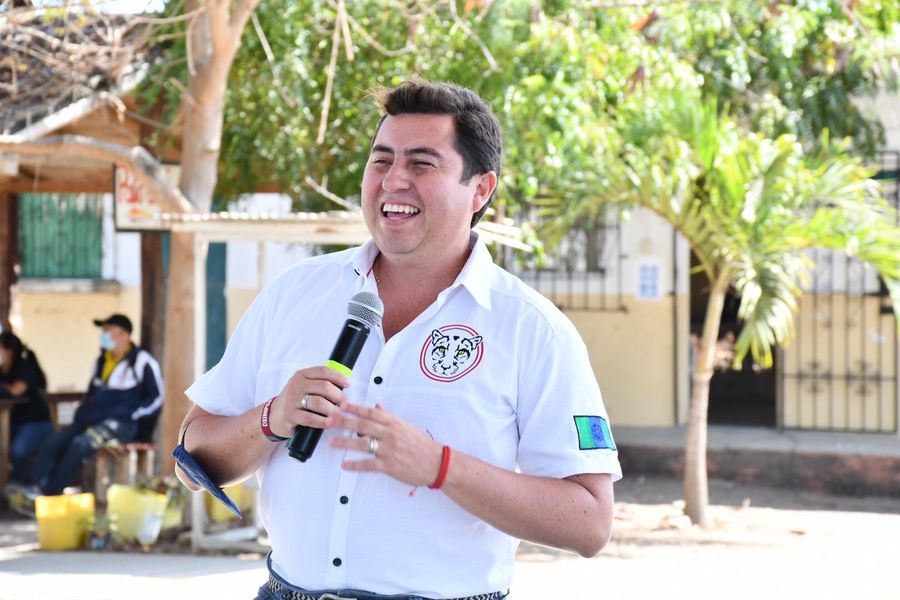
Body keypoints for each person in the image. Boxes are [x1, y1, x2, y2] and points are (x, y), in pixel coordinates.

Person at [177, 80, 621, 600]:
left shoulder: (532, 328)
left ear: (481, 189)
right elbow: (192, 457)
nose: (393, 181)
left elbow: (590, 523)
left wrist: (440, 466)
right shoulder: (293, 294)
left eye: (422, 164)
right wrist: (271, 418)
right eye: (381, 161)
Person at [27, 313, 163, 496]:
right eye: (103, 330)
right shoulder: (101, 361)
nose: (104, 335)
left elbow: (157, 397)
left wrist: (132, 414)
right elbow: (91, 394)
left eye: (109, 330)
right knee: (54, 442)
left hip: (120, 425)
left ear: (124, 334)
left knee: (80, 444)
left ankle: (51, 493)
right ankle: (33, 488)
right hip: (91, 421)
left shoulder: (142, 361)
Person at [0, 331, 53, 486]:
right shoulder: (2, 371)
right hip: (11, 423)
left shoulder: (24, 366)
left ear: (9, 350)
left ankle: (21, 486)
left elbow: (16, 390)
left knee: (18, 452)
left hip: (36, 423)